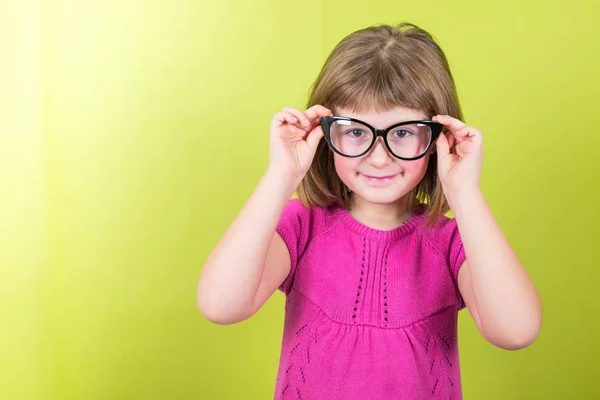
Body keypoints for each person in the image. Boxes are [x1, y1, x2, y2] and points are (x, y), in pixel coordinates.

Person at [197, 23, 542, 399]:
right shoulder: (302, 225)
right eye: (356, 131)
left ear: (437, 137)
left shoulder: (452, 243)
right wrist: (282, 174)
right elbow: (220, 305)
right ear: (326, 132)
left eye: (404, 132)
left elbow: (515, 331)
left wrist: (464, 191)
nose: (379, 158)